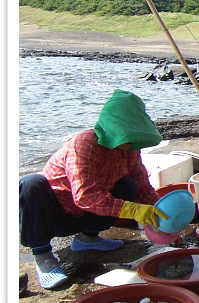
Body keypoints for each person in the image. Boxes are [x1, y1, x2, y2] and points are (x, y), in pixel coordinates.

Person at [19, 90, 168, 290]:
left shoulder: (130, 151)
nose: (131, 140)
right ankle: (43, 255)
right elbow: (84, 196)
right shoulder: (83, 144)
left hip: (88, 214)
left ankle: (87, 238)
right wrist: (132, 210)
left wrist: (161, 210)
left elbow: (142, 186)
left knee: (129, 185)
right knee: (31, 183)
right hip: (56, 215)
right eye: (126, 132)